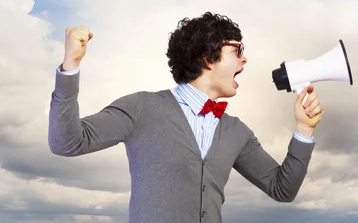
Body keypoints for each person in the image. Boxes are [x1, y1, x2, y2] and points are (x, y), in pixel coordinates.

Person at [48, 12, 324, 223]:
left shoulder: (237, 132)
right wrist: (70, 66)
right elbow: (66, 142)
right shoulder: (141, 107)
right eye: (237, 50)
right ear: (207, 58)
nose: (245, 60)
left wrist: (303, 129)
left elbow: (282, 189)